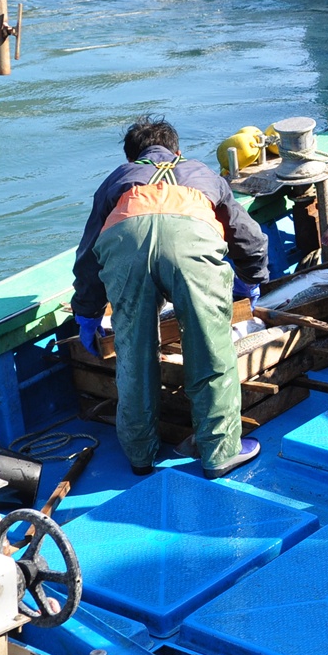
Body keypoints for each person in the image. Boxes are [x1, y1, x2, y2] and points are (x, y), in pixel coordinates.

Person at [72, 116, 270, 479]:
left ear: (132, 158)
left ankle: (140, 455)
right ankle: (220, 452)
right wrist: (251, 281)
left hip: (126, 246)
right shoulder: (203, 173)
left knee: (133, 353)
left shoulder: (117, 180)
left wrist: (86, 312)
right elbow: (249, 238)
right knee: (211, 350)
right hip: (191, 245)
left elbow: (88, 256)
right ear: (177, 152)